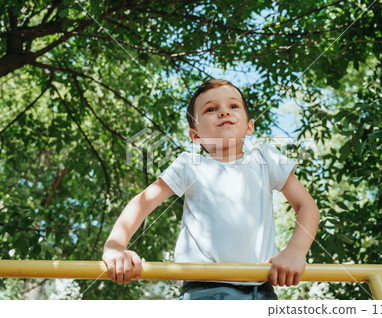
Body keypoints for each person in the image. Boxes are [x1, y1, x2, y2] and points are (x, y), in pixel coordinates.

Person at [102, 79, 320, 300]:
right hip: (201, 290)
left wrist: (295, 250)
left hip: (259, 289)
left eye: (233, 106)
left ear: (249, 126)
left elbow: (307, 206)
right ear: (195, 136)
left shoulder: (265, 159)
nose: (224, 112)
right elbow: (143, 202)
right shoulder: (189, 165)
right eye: (210, 109)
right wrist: (115, 246)